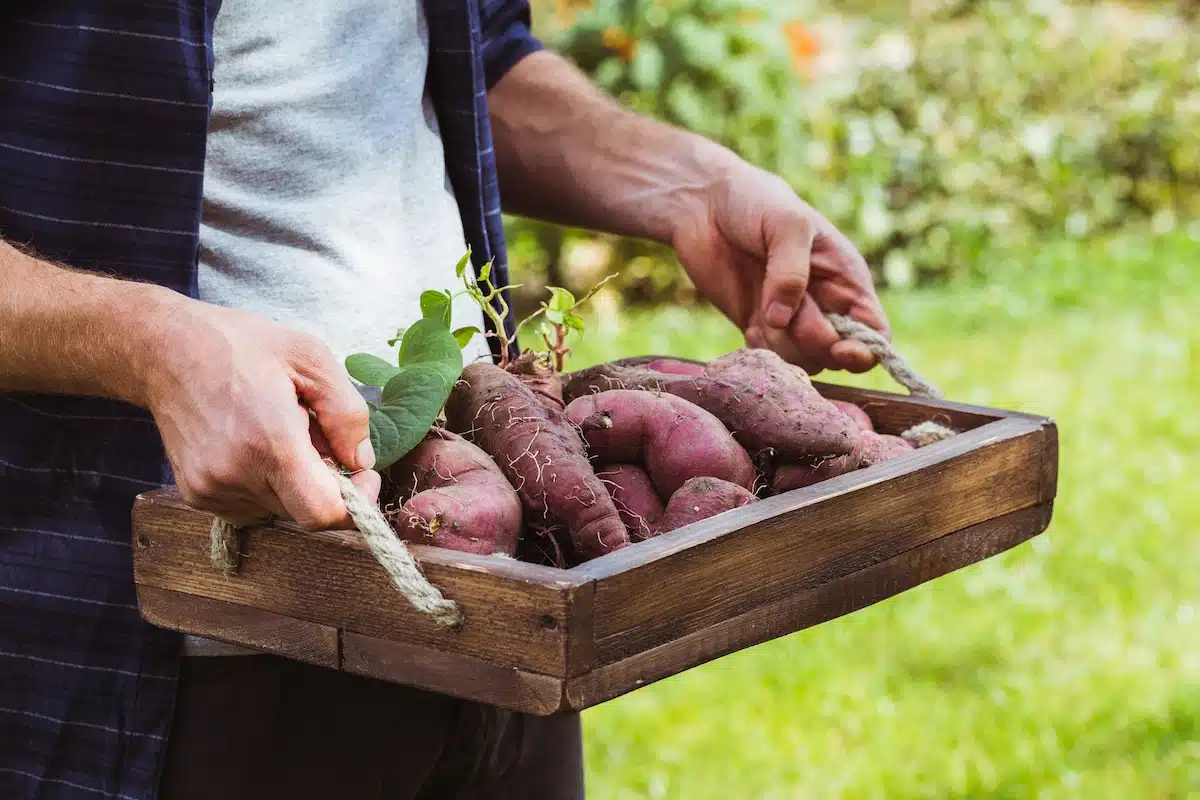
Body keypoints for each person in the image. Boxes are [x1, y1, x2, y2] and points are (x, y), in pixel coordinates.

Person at [0, 1, 890, 798]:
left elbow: (475, 56)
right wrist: (147, 346)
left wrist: (690, 186)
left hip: (496, 578)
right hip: (179, 640)